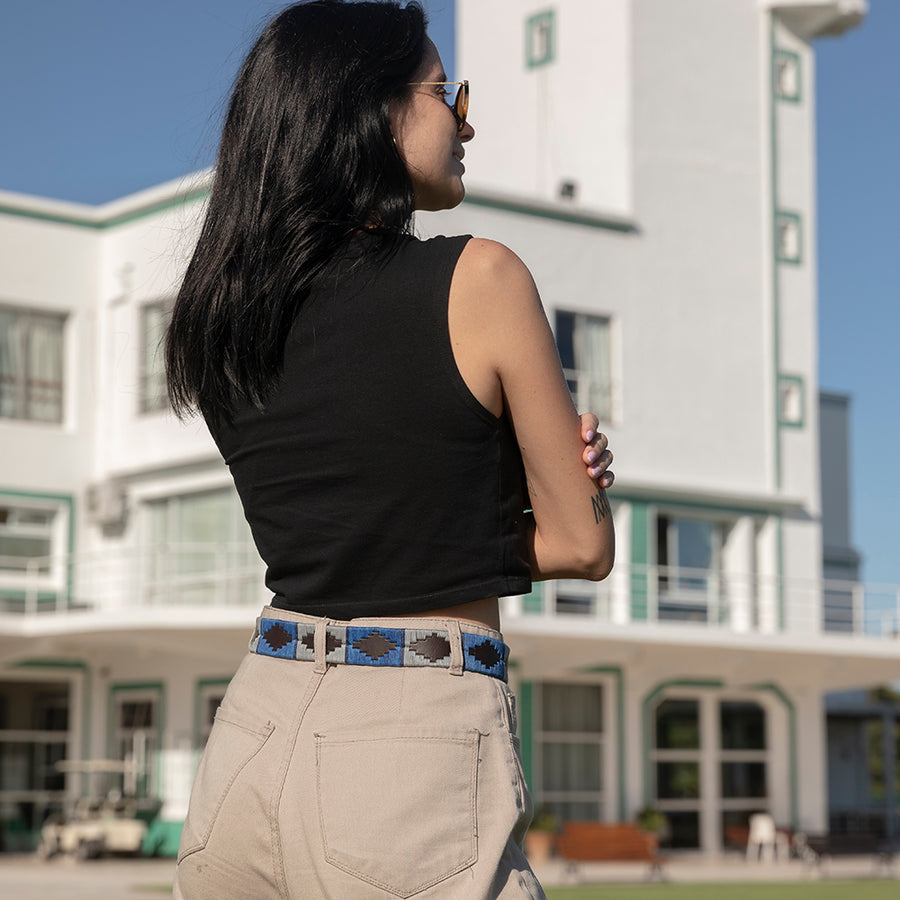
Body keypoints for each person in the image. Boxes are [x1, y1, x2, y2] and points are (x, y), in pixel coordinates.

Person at [166, 2, 615, 898]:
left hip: (251, 737)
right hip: (409, 747)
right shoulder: (480, 277)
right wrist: (569, 492)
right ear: (366, 108)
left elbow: (355, 528)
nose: (465, 120)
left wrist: (474, 506)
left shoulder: (220, 320)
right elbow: (581, 547)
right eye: (445, 92)